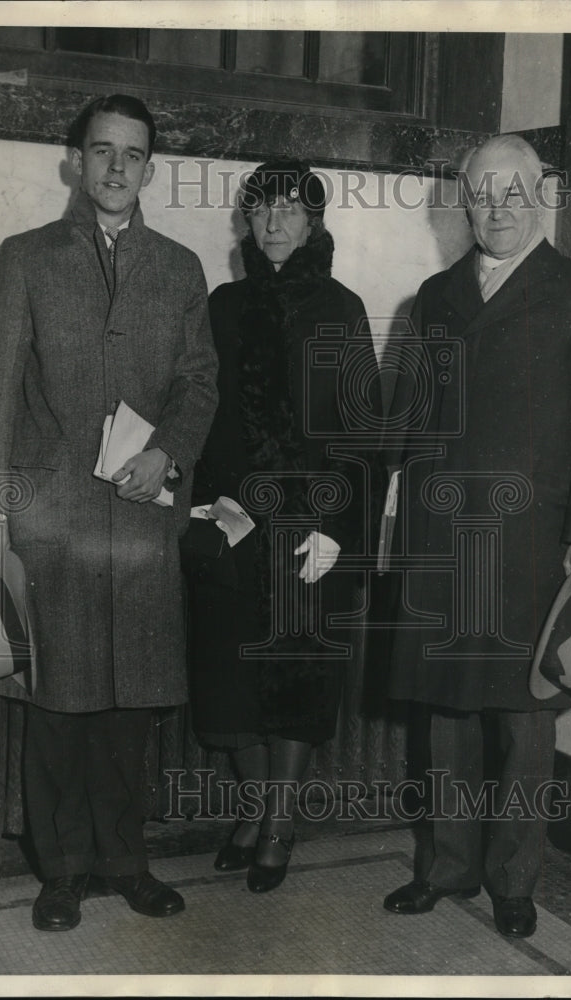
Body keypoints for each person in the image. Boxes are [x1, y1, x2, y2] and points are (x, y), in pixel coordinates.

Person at [0, 94, 218, 931]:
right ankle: (61, 871)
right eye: (101, 151)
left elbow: (200, 382)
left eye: (133, 155)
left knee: (131, 708)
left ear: (150, 167)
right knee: (60, 706)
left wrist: (168, 452)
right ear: (75, 160)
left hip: (142, 521)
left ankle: (126, 862)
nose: (116, 167)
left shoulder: (181, 268)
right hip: (51, 519)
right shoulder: (25, 258)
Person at [382, 135, 571, 937]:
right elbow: (414, 422)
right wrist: (398, 520)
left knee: (524, 723)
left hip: (533, 540)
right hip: (442, 533)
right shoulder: (434, 294)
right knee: (446, 713)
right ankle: (446, 867)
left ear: (541, 196)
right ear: (465, 201)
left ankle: (516, 880)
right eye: (482, 193)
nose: (496, 207)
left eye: (512, 192)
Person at [185, 161, 381, 893]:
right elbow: (198, 409)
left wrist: (339, 526)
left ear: (314, 224)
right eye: (262, 208)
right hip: (234, 523)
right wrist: (207, 502)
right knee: (227, 677)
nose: (274, 222)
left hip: (310, 529)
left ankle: (277, 823)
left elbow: (365, 432)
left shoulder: (342, 307)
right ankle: (260, 805)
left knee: (298, 678)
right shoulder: (224, 305)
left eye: (291, 210)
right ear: (246, 220)